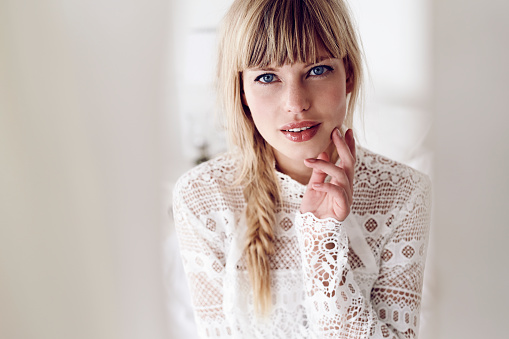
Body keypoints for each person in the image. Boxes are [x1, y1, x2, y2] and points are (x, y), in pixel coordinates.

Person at [172, 0, 431, 337]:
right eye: (267, 77)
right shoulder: (202, 195)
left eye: (317, 70)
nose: (296, 103)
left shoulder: (404, 192)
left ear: (348, 74)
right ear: (242, 91)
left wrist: (323, 238)